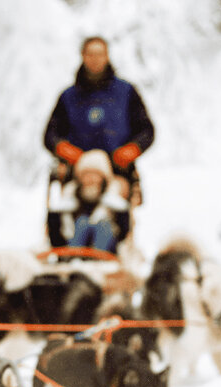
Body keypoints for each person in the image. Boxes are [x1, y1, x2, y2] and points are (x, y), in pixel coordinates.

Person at [44, 36, 154, 245]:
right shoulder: (68, 97)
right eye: (90, 54)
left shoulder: (126, 92)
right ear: (83, 57)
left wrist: (131, 150)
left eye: (99, 54)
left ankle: (110, 245)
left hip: (117, 170)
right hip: (77, 171)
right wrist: (67, 151)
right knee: (67, 205)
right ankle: (66, 247)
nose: (95, 59)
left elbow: (146, 130)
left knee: (113, 206)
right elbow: (50, 135)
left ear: (107, 56)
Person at [47, 149, 127, 253]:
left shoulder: (115, 204)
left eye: (95, 175)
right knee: (82, 222)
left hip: (106, 252)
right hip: (72, 248)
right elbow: (55, 233)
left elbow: (123, 232)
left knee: (103, 226)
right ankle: (75, 256)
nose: (91, 179)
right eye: (87, 175)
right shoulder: (67, 202)